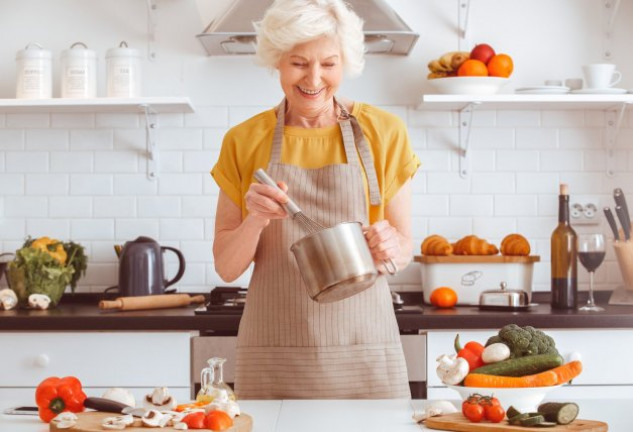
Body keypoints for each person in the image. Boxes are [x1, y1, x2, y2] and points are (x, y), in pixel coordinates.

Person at [211, 0, 420, 399]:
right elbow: (226, 266)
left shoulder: (384, 133)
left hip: (364, 348)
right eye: (298, 63)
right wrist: (255, 218)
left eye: (328, 63)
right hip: (275, 352)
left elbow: (404, 247)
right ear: (277, 61)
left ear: (346, 64)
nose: (314, 78)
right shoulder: (243, 141)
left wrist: (392, 246)